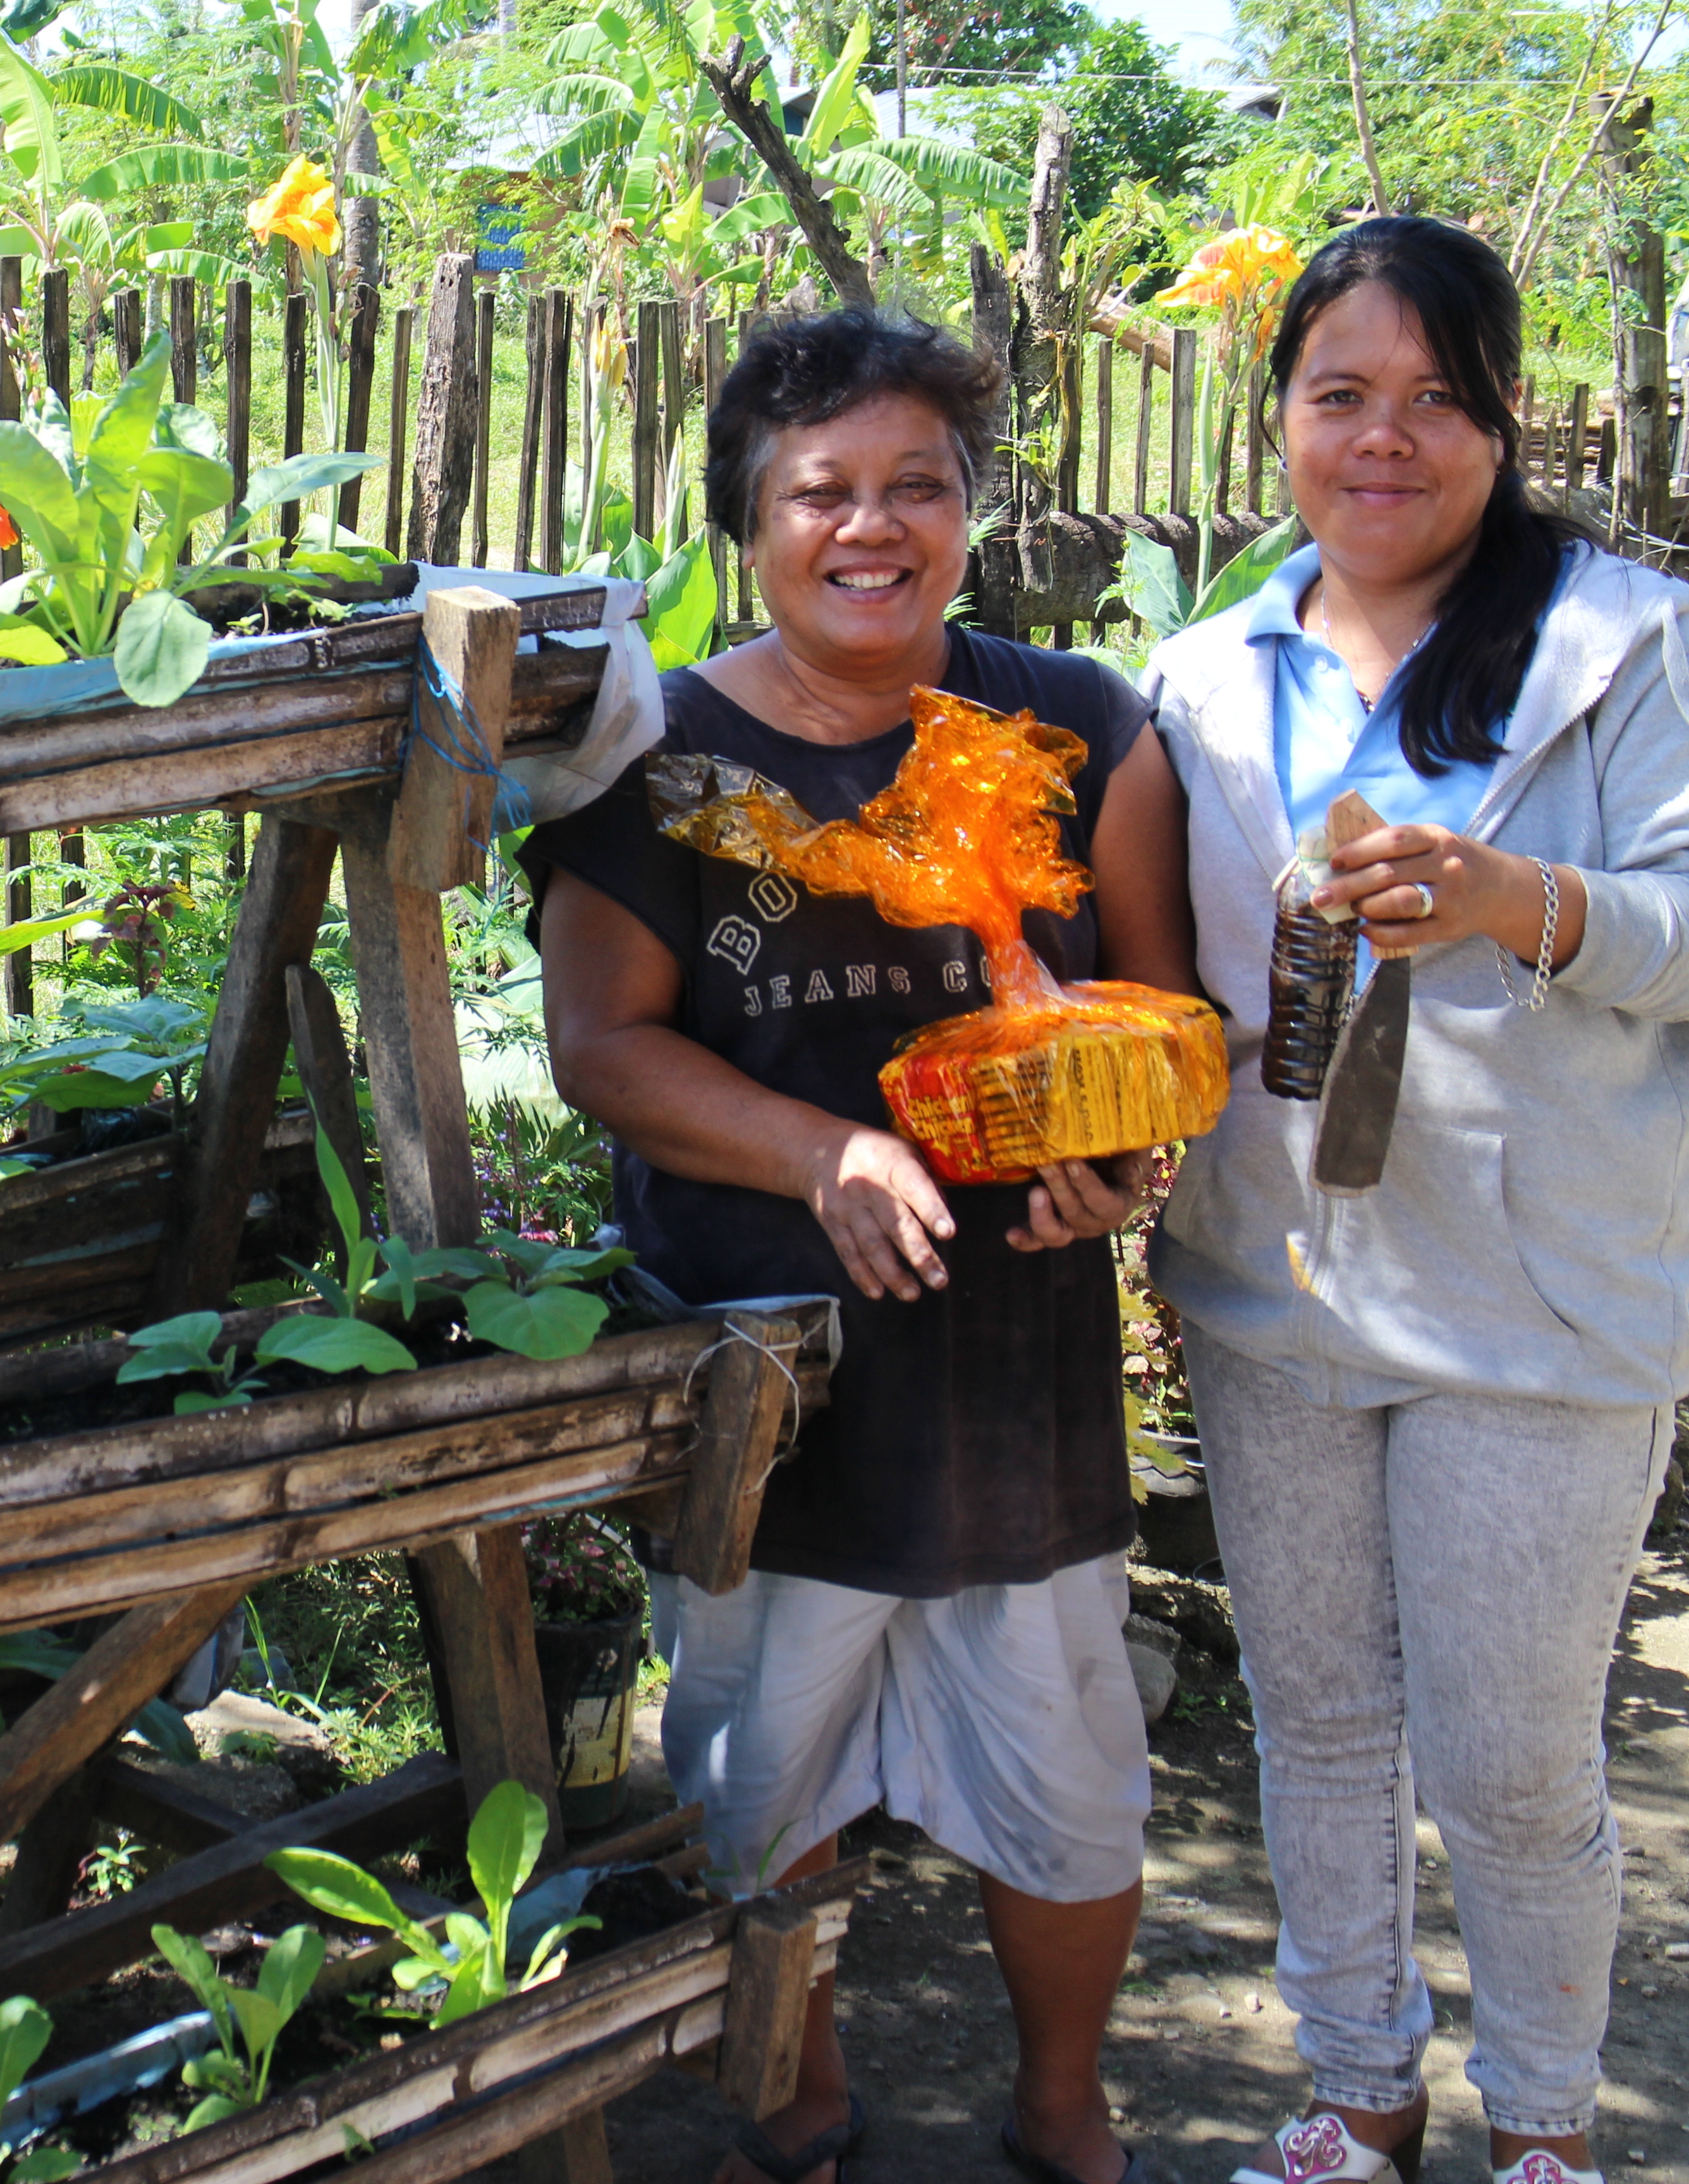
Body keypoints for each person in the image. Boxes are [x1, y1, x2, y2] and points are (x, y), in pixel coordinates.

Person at [527, 310, 1198, 2184]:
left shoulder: (1076, 726)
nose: (873, 526)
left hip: (1012, 1363)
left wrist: (1117, 1161)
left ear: (975, 512)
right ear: (752, 521)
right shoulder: (654, 754)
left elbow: (1160, 1012)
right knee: (766, 1770)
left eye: (920, 486)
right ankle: (806, 2091)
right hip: (764, 1367)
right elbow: (604, 1048)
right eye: (823, 491)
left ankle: (1063, 2108)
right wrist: (823, 1150)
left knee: (1068, 1785)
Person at [1143, 216, 1689, 2184]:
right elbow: (1167, 971)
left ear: (1506, 420)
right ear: (1278, 412)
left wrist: (1515, 903)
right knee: (1320, 1722)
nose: (1387, 438)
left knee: (1514, 1763)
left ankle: (1545, 2123)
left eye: (1437, 399)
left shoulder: (1624, 644)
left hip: (1538, 1305)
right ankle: (1354, 2093)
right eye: (1341, 394)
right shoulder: (1208, 672)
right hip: (1274, 1279)